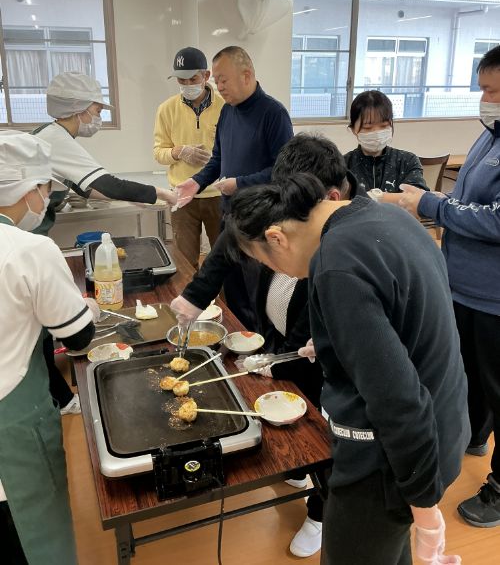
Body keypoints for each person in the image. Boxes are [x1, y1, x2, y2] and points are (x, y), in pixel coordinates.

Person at [223, 173, 469, 565]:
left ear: (276, 238)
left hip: (391, 459)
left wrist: (425, 511)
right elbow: (406, 323)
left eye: (268, 263)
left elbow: (398, 399)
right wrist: (336, 342)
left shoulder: (336, 264)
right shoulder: (388, 215)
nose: (284, 274)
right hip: (443, 427)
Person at [171, 134, 367, 558]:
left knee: (325, 433)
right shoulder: (292, 201)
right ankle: (304, 468)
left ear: (328, 199)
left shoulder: (353, 237)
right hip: (284, 335)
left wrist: (287, 358)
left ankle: (321, 512)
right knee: (294, 414)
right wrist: (195, 295)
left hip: (325, 357)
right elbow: (233, 237)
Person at [32, 71, 176, 415]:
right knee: (36, 325)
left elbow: (87, 188)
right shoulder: (56, 139)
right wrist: (161, 193)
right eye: (96, 110)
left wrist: (139, 198)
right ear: (78, 108)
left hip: (31, 234)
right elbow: (106, 184)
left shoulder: (49, 134)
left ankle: (57, 395)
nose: (97, 117)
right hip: (27, 239)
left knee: (36, 323)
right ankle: (59, 400)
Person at [398, 44, 500, 528]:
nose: (486, 100)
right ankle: (474, 434)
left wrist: (432, 206)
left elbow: (495, 220)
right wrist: (437, 201)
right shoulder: (489, 136)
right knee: (468, 372)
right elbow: (466, 201)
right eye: (483, 89)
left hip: (495, 297)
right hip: (463, 286)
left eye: (494, 91)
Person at [0, 130, 99, 565]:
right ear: (27, 190)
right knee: (34, 537)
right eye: (45, 188)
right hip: (13, 428)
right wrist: (89, 308)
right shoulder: (29, 249)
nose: (47, 199)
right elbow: (77, 338)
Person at [175, 46, 293, 328]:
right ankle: (238, 342)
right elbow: (218, 159)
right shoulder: (227, 111)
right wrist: (197, 182)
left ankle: (259, 346)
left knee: (257, 298)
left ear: (246, 75)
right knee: (233, 291)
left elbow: (284, 171)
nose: (218, 86)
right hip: (230, 217)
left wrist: (239, 183)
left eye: (223, 79)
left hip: (260, 225)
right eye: (216, 80)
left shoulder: (274, 113)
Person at [153, 47, 224, 268]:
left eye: (192, 79)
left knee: (224, 259)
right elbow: (159, 152)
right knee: (184, 261)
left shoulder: (225, 107)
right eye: (181, 80)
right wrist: (178, 151)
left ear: (206, 75)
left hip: (218, 194)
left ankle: (222, 294)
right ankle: (189, 292)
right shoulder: (166, 109)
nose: (187, 85)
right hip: (182, 196)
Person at [344, 90, 428, 203]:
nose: (377, 133)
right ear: (353, 129)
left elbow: (418, 199)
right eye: (367, 128)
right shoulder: (343, 165)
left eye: (383, 126)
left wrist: (377, 197)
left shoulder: (407, 161)